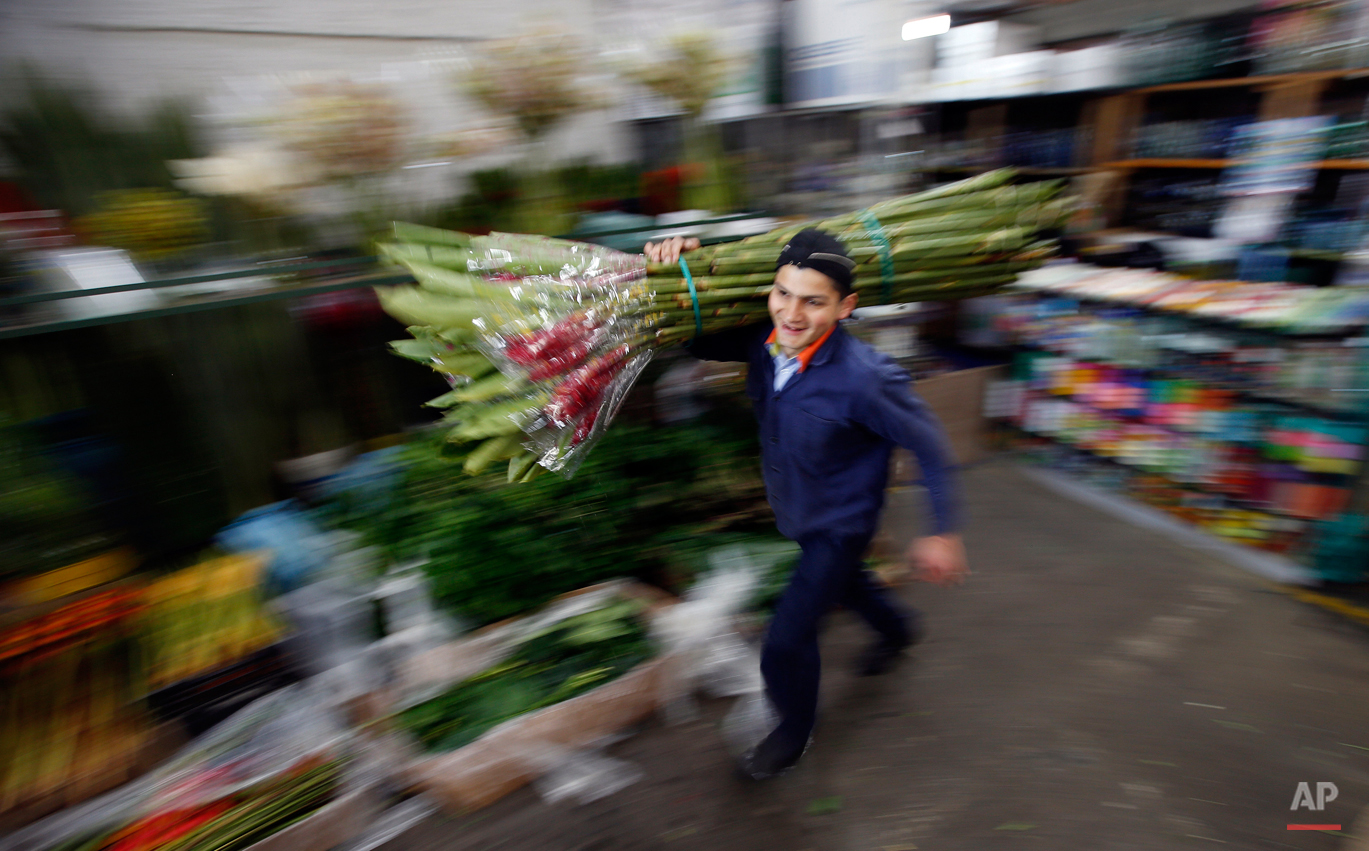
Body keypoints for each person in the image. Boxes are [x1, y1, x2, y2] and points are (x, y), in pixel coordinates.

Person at [644, 229, 969, 780]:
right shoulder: (763, 341)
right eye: (782, 293)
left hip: (840, 523)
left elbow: (931, 445)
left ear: (846, 306)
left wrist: (945, 530)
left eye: (813, 301)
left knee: (786, 641)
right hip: (795, 508)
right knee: (846, 583)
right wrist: (686, 267)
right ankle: (897, 630)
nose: (791, 314)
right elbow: (692, 336)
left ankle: (792, 734)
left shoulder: (866, 380)